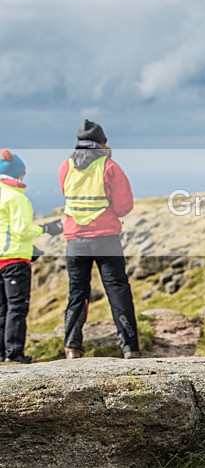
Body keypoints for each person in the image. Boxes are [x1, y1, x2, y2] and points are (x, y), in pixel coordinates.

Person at [58, 120, 140, 360]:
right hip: (106, 240)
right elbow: (124, 206)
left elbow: (66, 195)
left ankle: (72, 347)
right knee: (117, 292)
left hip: (75, 240)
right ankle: (129, 348)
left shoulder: (66, 167)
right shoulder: (110, 166)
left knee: (77, 294)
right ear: (102, 144)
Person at [0, 149, 63, 364]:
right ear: (18, 173)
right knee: (17, 307)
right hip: (15, 261)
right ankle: (15, 354)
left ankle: (2, 353)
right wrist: (46, 229)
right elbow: (22, 230)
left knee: (2, 309)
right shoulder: (16, 198)